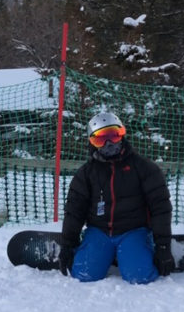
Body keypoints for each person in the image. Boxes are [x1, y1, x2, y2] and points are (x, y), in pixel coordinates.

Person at [58, 111, 174, 284]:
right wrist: (67, 244)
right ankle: (105, 252)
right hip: (99, 231)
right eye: (100, 140)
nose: (109, 144)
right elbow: (74, 210)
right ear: (93, 144)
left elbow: (161, 207)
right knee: (84, 274)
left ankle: (137, 251)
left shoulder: (144, 168)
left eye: (113, 136)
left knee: (139, 276)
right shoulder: (86, 174)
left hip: (133, 230)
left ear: (122, 135)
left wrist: (163, 246)